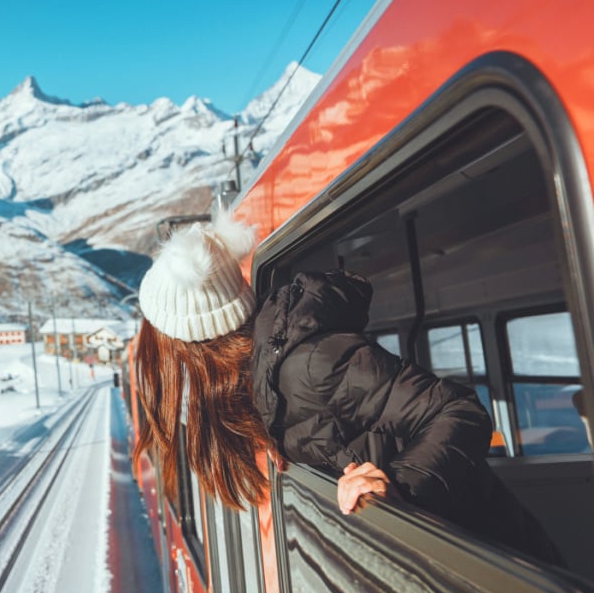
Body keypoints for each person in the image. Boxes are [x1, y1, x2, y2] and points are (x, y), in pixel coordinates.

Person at [132, 214, 561, 565]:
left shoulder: (309, 365)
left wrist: (394, 487)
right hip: (461, 564)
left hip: (501, 564)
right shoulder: (265, 380)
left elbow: (460, 411)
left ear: (195, 350)